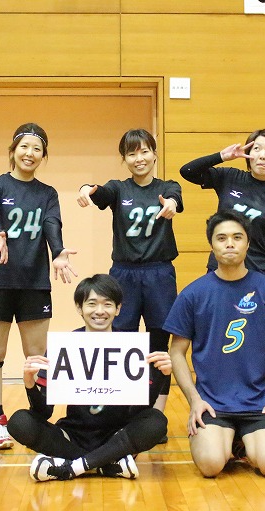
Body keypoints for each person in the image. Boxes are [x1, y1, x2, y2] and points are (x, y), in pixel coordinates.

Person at [164, 210, 265, 478]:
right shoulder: (193, 294)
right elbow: (177, 352)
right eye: (222, 238)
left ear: (248, 243)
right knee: (211, 465)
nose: (230, 244)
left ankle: (240, 441)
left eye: (237, 237)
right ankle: (230, 441)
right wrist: (194, 400)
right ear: (211, 245)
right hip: (212, 403)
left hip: (260, 403)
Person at [7, 274, 170, 481]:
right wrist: (30, 384)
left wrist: (161, 376)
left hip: (117, 436)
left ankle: (73, 467)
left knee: (156, 421)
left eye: (107, 304)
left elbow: (139, 410)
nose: (100, 311)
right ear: (79, 308)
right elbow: (44, 413)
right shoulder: (65, 345)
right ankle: (105, 465)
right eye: (92, 304)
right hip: (72, 435)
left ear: (118, 309)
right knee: (19, 422)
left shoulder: (131, 347)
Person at [0, 123, 78, 449]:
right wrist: (0, 231)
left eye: (37, 148)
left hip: (34, 285)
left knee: (37, 358)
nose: (29, 153)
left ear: (43, 155)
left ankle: (38, 420)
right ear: (13, 150)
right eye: (24, 147)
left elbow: (51, 224)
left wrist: (58, 251)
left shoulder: (47, 193)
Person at [77, 129, 183, 413]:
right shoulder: (119, 188)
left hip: (159, 273)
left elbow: (174, 198)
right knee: (122, 341)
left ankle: (156, 414)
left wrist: (171, 204)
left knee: (158, 344)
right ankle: (122, 412)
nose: (139, 158)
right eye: (132, 153)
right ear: (124, 159)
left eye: (145, 151)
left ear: (155, 154)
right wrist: (86, 188)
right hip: (124, 274)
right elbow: (99, 192)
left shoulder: (168, 187)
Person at [179, 129, 265, 279]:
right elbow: (187, 171)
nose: (262, 155)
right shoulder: (229, 177)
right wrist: (221, 156)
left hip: (259, 275)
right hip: (220, 270)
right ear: (248, 154)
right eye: (256, 149)